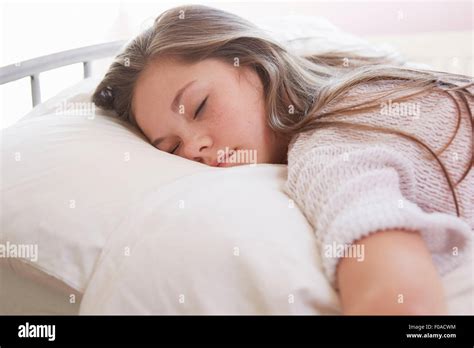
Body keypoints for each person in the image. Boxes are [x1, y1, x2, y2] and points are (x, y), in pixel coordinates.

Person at [93, 5, 473, 314]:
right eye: (172, 148)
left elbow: (398, 301)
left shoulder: (327, 148)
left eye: (199, 106)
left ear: (256, 61)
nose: (194, 147)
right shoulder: (362, 87)